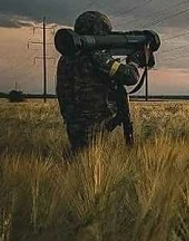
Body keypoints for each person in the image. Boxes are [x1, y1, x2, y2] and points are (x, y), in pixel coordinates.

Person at [56, 11, 146, 154]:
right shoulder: (95, 56)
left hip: (73, 122)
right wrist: (134, 61)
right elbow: (131, 77)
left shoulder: (65, 58)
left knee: (79, 155)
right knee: (91, 158)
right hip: (94, 123)